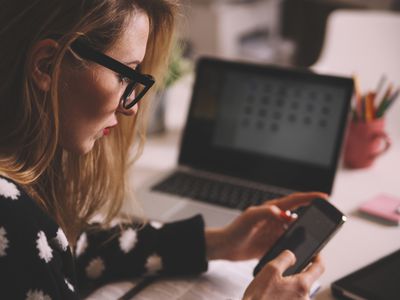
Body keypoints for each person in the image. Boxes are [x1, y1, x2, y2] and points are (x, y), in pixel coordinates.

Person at [0, 0, 325, 299]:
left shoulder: (23, 208)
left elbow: (73, 249)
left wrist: (218, 242)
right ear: (46, 65)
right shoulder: (12, 221)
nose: (132, 110)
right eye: (123, 75)